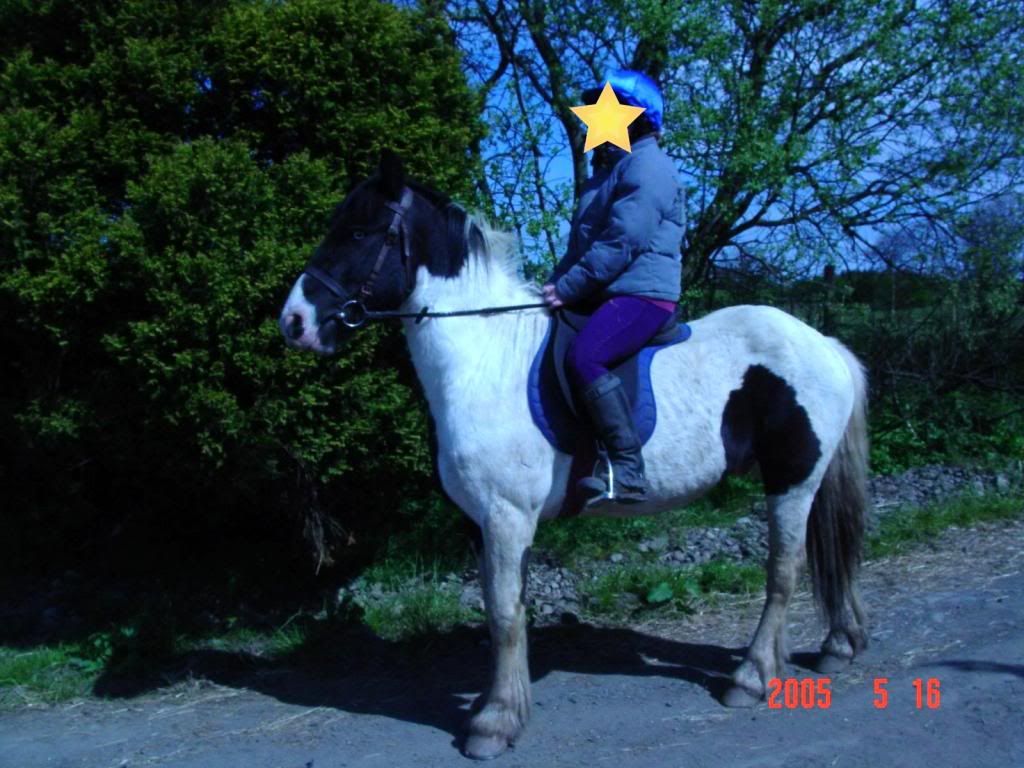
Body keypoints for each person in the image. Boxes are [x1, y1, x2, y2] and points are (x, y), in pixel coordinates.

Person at [543, 69, 685, 508]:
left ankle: (626, 468)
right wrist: (553, 285)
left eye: (611, 110)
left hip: (643, 294)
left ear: (637, 117)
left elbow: (622, 240)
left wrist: (569, 287)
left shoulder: (648, 167)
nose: (598, 119)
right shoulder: (610, 170)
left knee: (585, 356)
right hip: (607, 289)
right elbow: (582, 245)